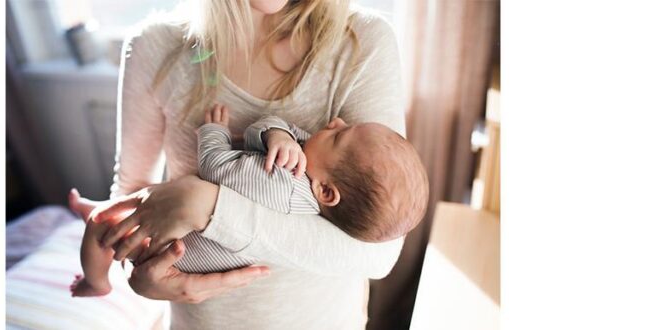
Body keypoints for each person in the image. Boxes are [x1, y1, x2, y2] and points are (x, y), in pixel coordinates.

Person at [73, 0, 420, 328]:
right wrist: (140, 280)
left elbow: (379, 254)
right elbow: (128, 201)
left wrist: (206, 207)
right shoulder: (156, 47)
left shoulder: (361, 43)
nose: (335, 126)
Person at [69, 104, 427, 296]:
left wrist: (214, 133)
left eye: (339, 135)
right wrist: (278, 134)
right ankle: (104, 210)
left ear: (326, 193)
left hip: (161, 247)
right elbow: (268, 132)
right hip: (174, 236)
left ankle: (96, 282)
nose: (335, 121)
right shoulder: (309, 177)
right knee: (119, 210)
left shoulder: (282, 186)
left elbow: (215, 171)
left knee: (100, 224)